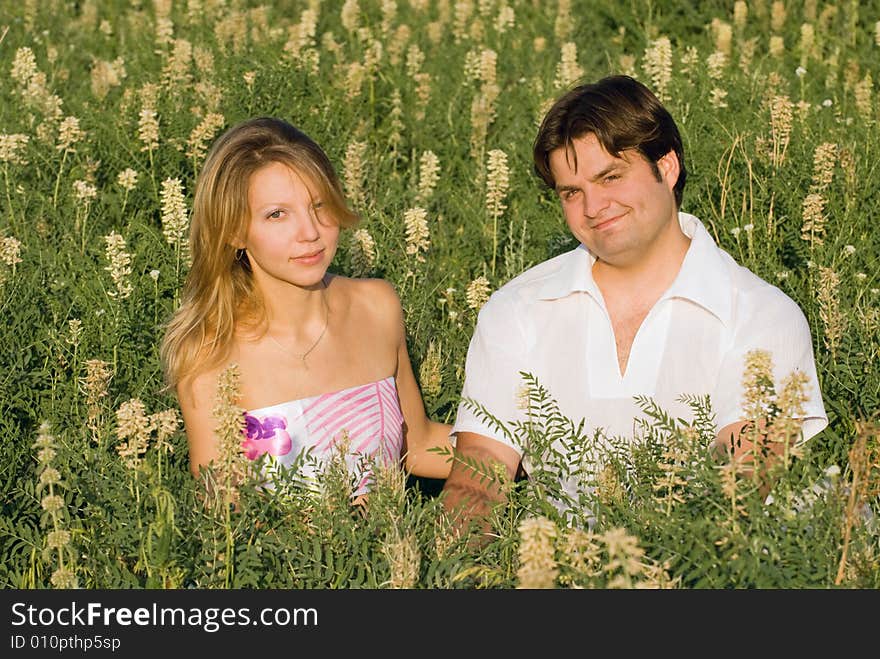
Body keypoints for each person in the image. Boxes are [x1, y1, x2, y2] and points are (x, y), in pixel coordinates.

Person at [442, 75, 828, 538]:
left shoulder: (761, 315)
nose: (593, 206)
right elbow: (479, 478)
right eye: (571, 192)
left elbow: (739, 495)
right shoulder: (517, 309)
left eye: (610, 177)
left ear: (666, 168)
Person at [160, 117, 451, 498]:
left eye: (319, 205)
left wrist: (533, 452)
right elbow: (223, 515)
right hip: (284, 559)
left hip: (391, 549)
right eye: (277, 214)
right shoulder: (209, 353)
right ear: (233, 231)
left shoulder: (376, 306)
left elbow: (420, 444)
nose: (310, 232)